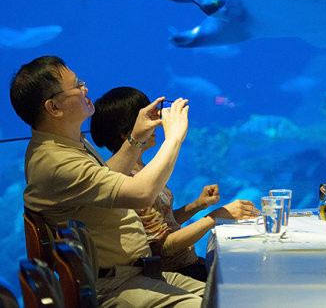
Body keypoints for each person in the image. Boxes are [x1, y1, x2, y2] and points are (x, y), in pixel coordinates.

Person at [10, 56, 205, 306]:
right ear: (54, 108)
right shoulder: (54, 162)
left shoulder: (66, 144)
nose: (85, 88)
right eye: (77, 85)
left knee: (230, 293)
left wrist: (137, 136)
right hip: (115, 288)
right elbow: (142, 193)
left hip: (138, 274)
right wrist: (174, 137)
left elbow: (105, 176)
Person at [90, 86, 259, 281]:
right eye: (147, 116)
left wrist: (198, 205)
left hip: (189, 264)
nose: (157, 122)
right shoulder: (128, 181)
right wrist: (216, 216)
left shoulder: (141, 169)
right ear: (125, 131)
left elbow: (163, 224)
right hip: (175, 274)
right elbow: (163, 246)